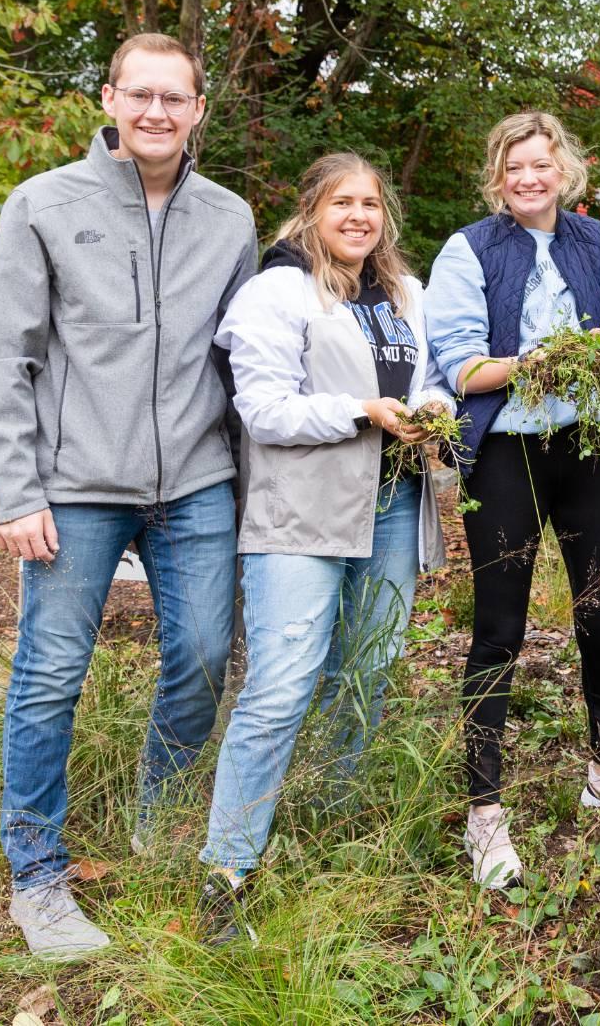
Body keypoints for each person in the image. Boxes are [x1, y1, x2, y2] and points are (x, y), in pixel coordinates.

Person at [0, 32, 257, 958]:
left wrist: (259, 491)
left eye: (175, 99)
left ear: (199, 110)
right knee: (51, 671)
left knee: (208, 653)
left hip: (200, 482)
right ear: (108, 98)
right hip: (76, 484)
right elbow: (3, 356)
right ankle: (36, 872)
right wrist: (15, 489)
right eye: (140, 95)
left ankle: (162, 818)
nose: (156, 113)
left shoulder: (230, 218)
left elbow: (245, 360)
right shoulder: (45, 206)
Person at [193, 151, 454, 940]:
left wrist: (430, 410)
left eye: (370, 203)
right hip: (301, 517)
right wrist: (363, 411)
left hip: (392, 507)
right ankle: (226, 868)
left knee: (365, 673)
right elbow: (264, 409)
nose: (358, 216)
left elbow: (434, 378)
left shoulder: (407, 292)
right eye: (342, 202)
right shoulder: (275, 291)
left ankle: (332, 824)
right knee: (280, 685)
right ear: (311, 210)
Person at [425, 111, 600, 891]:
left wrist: (599, 356)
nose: (530, 178)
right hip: (506, 453)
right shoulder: (468, 249)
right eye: (515, 167)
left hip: (588, 448)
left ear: (566, 171)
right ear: (498, 177)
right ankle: (484, 812)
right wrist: (532, 363)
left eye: (543, 164)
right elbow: (458, 365)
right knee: (498, 626)